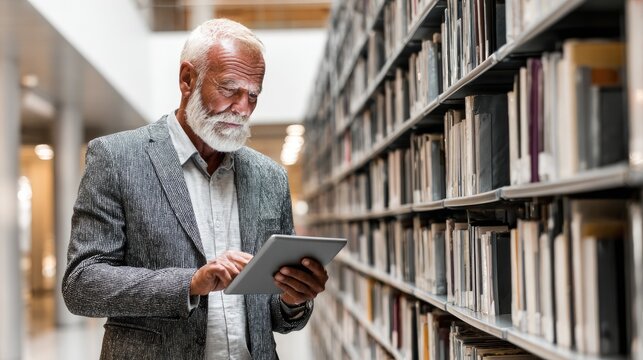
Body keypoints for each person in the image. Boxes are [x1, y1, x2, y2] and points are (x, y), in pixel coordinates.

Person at [62, 19, 328, 360]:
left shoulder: (270, 178)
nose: (242, 109)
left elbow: (277, 317)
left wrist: (294, 297)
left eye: (253, 95)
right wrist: (190, 282)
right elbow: (82, 285)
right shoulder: (116, 158)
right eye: (230, 89)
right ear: (187, 79)